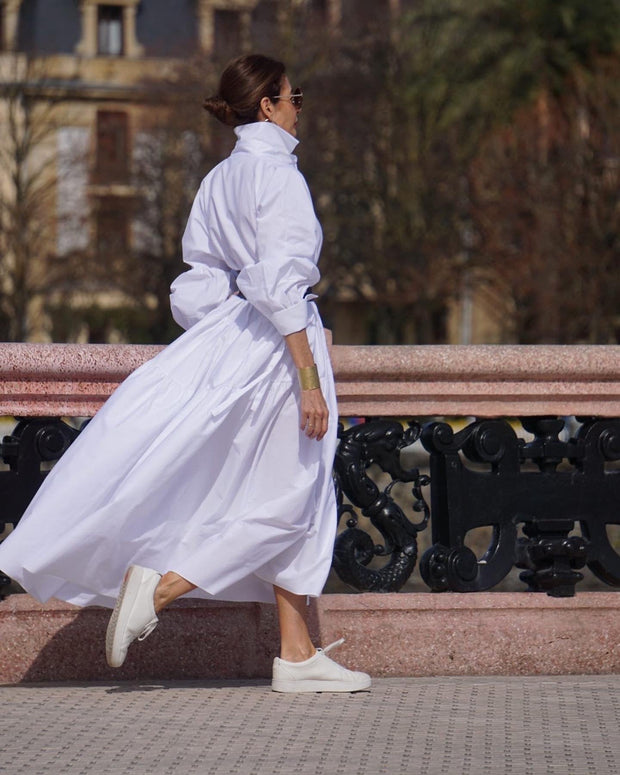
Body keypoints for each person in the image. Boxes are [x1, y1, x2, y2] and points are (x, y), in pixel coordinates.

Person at [0, 54, 370, 694]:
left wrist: (227, 338)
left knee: (288, 494)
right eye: (293, 96)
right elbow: (279, 280)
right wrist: (307, 376)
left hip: (233, 338)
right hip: (279, 348)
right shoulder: (278, 178)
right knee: (290, 501)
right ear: (267, 107)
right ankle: (160, 589)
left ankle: (297, 652)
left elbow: (199, 283)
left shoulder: (219, 179)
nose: (298, 106)